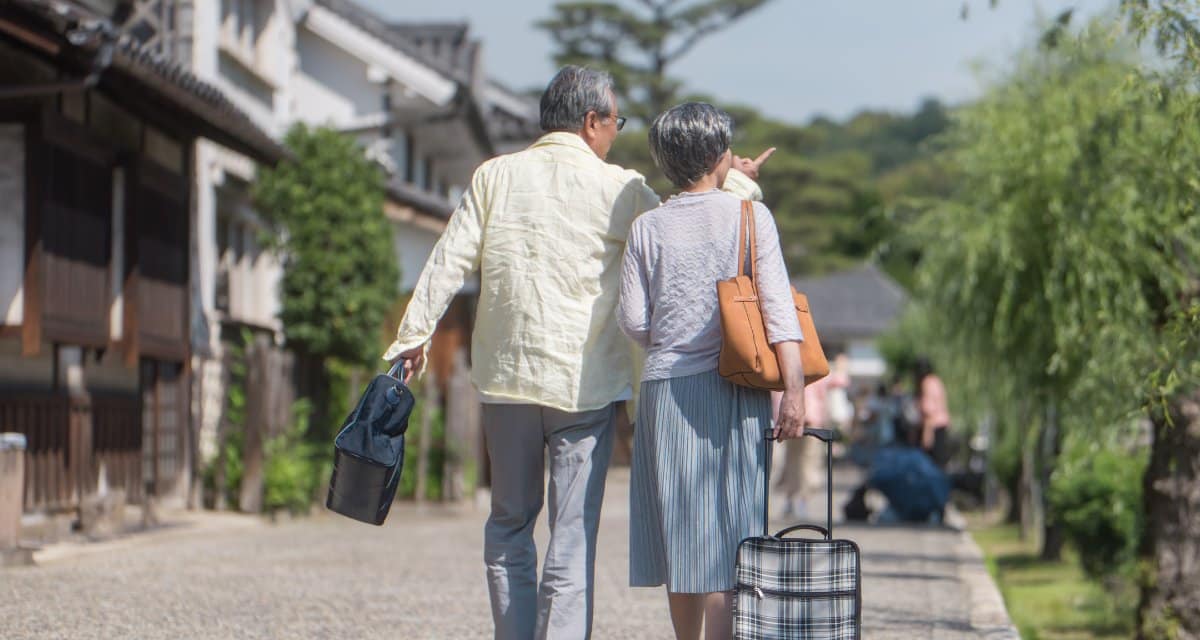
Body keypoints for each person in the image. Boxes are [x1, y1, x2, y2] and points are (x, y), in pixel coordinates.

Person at [384, 67, 771, 640]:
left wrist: (413, 335)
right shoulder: (618, 187)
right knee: (571, 535)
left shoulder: (495, 176)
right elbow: (687, 216)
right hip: (584, 387)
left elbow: (450, 257)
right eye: (615, 121)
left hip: (507, 380)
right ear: (591, 123)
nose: (616, 131)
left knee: (509, 526)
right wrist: (736, 181)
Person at [618, 102, 806, 640]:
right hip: (735, 388)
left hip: (666, 390)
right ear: (722, 157)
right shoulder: (750, 217)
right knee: (732, 536)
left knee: (683, 535)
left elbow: (634, 320)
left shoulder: (646, 228)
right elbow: (778, 309)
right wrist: (792, 391)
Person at [913, 357, 952, 468]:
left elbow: (929, 412)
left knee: (932, 463)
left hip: (933, 426)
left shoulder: (926, 383)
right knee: (940, 461)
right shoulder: (936, 380)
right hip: (942, 424)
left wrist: (927, 434)